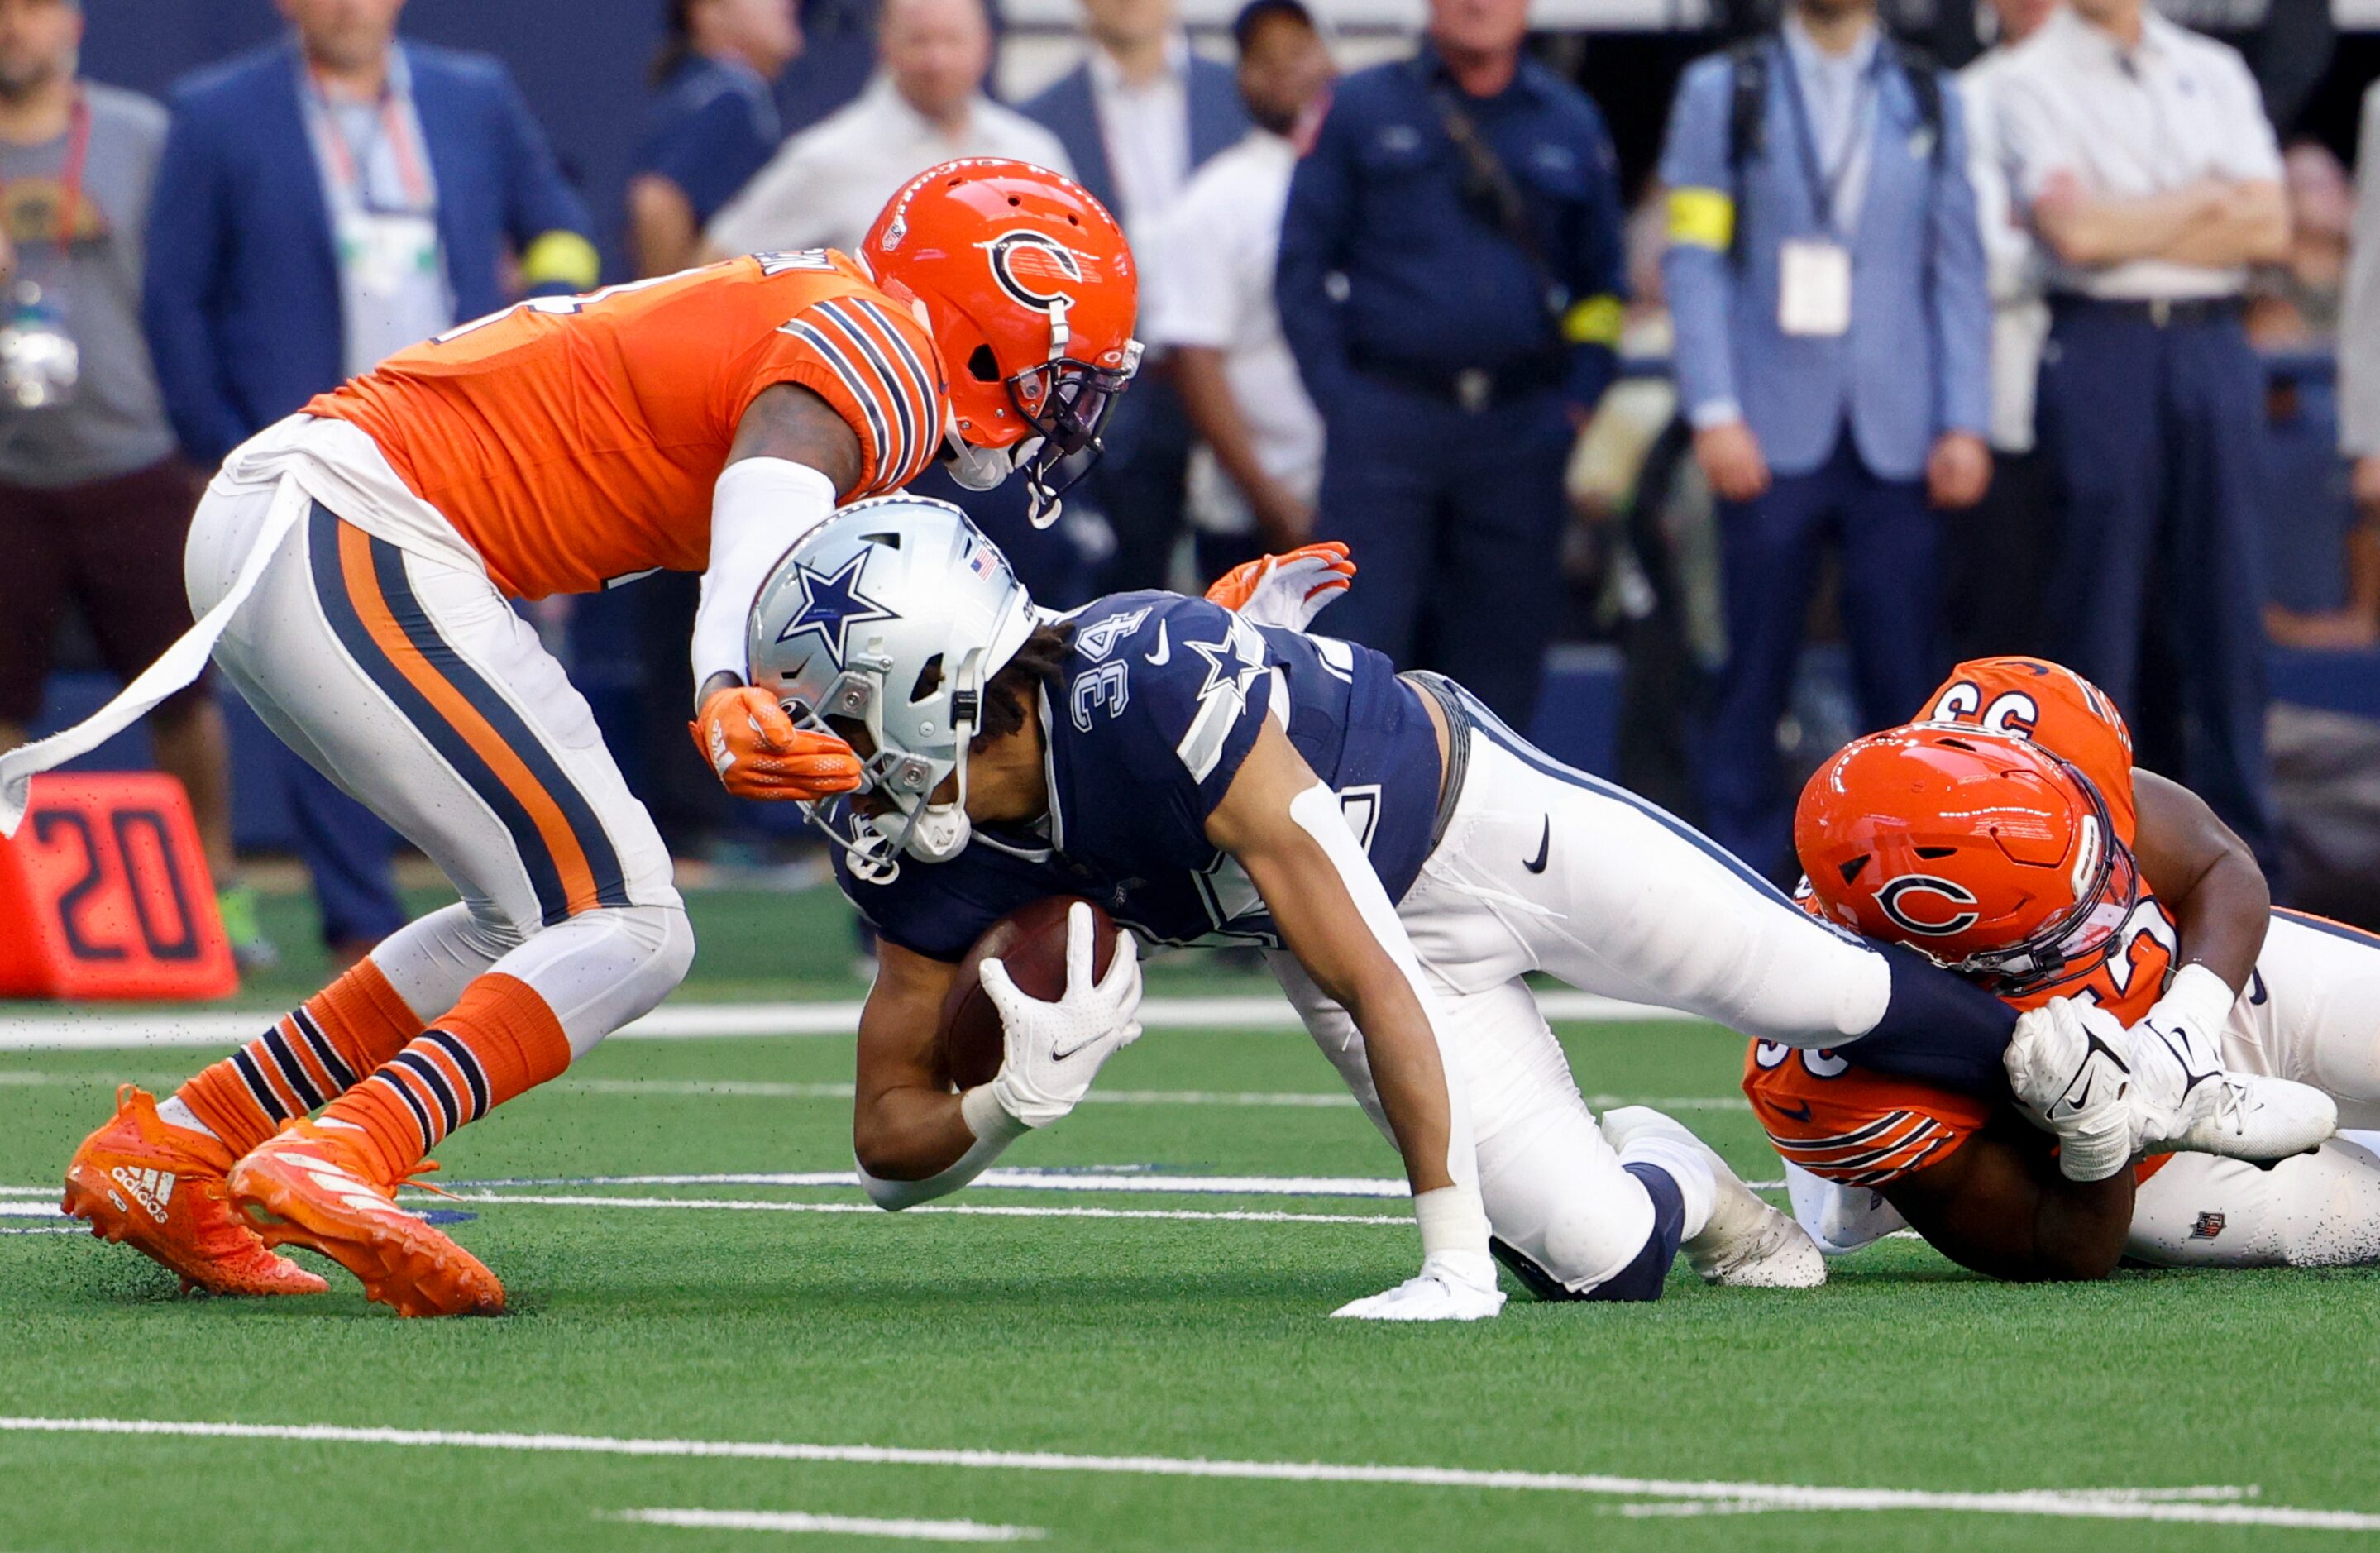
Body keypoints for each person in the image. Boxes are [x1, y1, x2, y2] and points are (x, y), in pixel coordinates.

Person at [28, 160, 1140, 1317]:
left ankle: (187, 1144)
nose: (1067, 409)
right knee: (634, 924)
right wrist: (720, 679)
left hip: (315, 515)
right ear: (988, 328)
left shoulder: (839, 317)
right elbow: (766, 492)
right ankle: (347, 1145)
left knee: (540, 917)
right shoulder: (886, 352)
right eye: (1063, 376)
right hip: (363, 526)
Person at [755, 501, 2178, 1321]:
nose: (823, 759)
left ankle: (2122, 1062)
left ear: (938, 680)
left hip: (1485, 823)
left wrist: (1446, 1259)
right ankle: (1686, 1178)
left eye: (836, 718)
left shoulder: (1152, 692)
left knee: (1823, 988)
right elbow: (884, 1145)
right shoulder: (928, 840)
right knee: (1601, 1260)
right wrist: (1003, 1101)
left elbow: (1371, 957)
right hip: (1323, 937)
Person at [141, 0, 603, 966]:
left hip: (468, 442)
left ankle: (550, 904)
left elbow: (558, 223)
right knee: (327, 685)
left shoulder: (472, 95)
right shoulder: (218, 111)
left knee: (499, 669)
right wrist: (224, 445)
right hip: (306, 451)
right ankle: (360, 921)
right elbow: (174, 297)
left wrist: (545, 317)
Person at [1764, 701, 2357, 1278]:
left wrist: (2186, 1029)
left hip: (2227, 980)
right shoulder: (1842, 1077)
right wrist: (2097, 1130)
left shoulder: (2011, 733)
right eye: (2063, 927)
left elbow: (2218, 861)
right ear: (1947, 957)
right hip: (2152, 1169)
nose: (2108, 907)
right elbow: (2060, 1246)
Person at [1656, 0, 1991, 882]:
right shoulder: (1723, 88)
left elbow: (1956, 263)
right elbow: (1691, 256)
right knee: (1747, 672)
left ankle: (1917, 884)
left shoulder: (1929, 93)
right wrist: (1715, 408)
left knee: (1906, 677)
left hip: (1899, 423)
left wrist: (1965, 417)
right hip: (1766, 419)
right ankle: (1734, 884)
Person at [1991, 0, 2290, 874]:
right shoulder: (2025, 78)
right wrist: (2206, 200)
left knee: (2229, 611)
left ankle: (2249, 867)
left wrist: (2133, 220)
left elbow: (2268, 227)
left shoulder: (2212, 68)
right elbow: (2075, 234)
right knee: (2099, 612)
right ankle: (2095, 866)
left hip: (2212, 339)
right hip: (2099, 340)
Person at [1277, 0, 1626, 726]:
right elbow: (1299, 271)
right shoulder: (1358, 107)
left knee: (1500, 678)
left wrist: (1577, 402)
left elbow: (1602, 292)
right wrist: (1343, 400)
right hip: (1386, 431)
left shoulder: (1571, 121)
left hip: (1520, 435)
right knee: (1354, 668)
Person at [0, 0, 263, 961]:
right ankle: (12, 908)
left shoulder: (142, 137)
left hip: (133, 452)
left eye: (30, 9)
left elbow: (204, 286)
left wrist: (203, 436)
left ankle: (218, 886)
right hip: (7, 471)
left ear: (71, 21)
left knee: (182, 692)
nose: (11, 29)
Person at [1023, 0, 1248, 594]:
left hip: (1240, 388)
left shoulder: (1241, 96)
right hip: (1113, 398)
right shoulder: (1037, 122)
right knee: (1123, 594)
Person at [1138, 0, 1333, 578]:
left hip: (1376, 499)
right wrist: (1270, 498)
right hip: (1257, 515)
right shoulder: (1216, 198)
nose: (1283, 70)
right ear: (1239, 76)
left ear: (1328, 58)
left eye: (1298, 51)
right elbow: (1194, 359)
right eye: (1262, 58)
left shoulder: (1362, 177)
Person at [704, 0, 1067, 259]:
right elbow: (718, 262)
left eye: (952, 40)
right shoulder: (828, 158)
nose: (937, 60)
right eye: (919, 40)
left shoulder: (1033, 154)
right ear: (885, 45)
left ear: (985, 43)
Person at [1941, 0, 2057, 664]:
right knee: (2001, 618)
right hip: (1999, 403)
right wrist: (2096, 239)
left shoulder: (2134, 84)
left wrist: (2089, 231)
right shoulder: (1969, 98)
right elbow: (1977, 256)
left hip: (2115, 392)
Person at [628, 0, 801, 279]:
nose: (786, 4)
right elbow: (656, 201)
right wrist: (679, 312)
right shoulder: (730, 97)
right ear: (710, 13)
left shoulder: (705, 89)